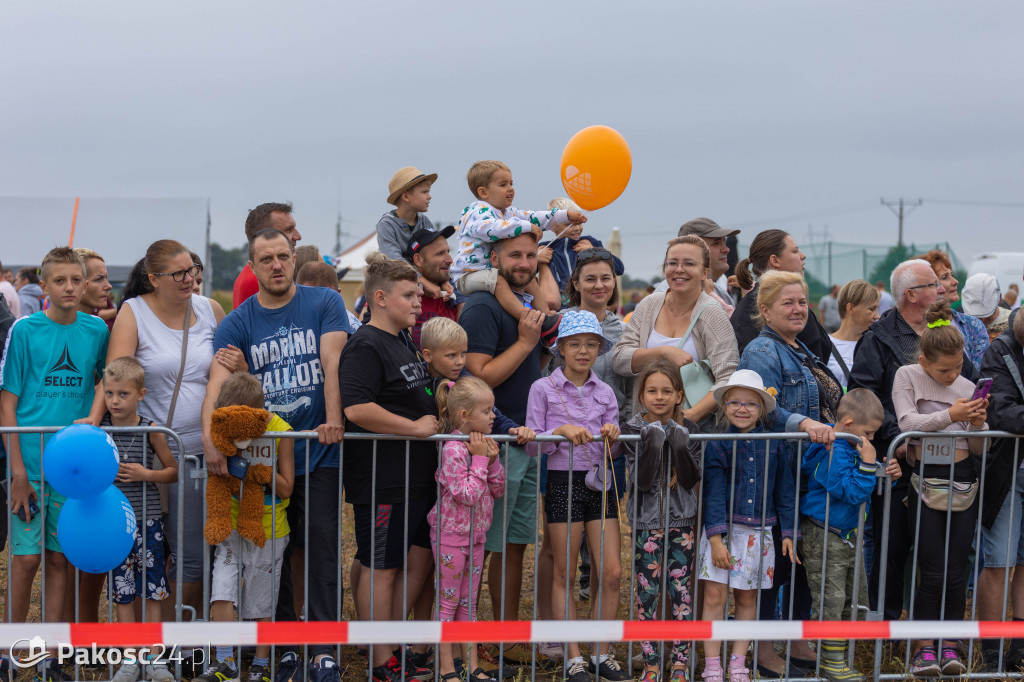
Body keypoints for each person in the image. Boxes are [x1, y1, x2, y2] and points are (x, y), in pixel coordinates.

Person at [205, 227, 349, 682]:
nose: (276, 265)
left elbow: (332, 363)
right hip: (268, 455)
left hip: (318, 448)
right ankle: (282, 647)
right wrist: (211, 442)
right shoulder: (237, 322)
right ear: (252, 266)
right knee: (276, 552)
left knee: (322, 548)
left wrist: (332, 418)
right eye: (266, 259)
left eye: (283, 256)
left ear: (293, 258)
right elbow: (217, 386)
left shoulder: (325, 303)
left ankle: (324, 647)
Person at [0, 247, 108, 682]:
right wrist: (19, 475)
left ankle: (47, 655)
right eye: (58, 281)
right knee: (26, 561)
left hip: (73, 468)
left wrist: (95, 417)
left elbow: (105, 379)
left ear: (84, 285)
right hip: (29, 467)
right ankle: (10, 650)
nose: (68, 288)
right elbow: (7, 404)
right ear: (43, 286)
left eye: (75, 281)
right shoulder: (25, 331)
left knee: (61, 560)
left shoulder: (97, 329)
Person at [848, 259, 977, 624]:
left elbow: (965, 385)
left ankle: (938, 633)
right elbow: (865, 396)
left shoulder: (947, 334)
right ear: (911, 295)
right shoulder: (879, 338)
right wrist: (897, 440)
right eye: (934, 284)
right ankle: (883, 628)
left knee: (944, 555)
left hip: (947, 465)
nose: (942, 288)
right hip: (896, 464)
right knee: (892, 547)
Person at [108, 239, 227, 622]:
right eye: (179, 273)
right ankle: (142, 643)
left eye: (193, 269)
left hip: (199, 453)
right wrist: (94, 426)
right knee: (143, 552)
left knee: (190, 554)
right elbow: (115, 377)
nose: (190, 278)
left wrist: (236, 361)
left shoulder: (211, 310)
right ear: (153, 279)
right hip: (147, 457)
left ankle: (175, 636)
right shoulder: (134, 312)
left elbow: (227, 373)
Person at [340, 253, 437, 682]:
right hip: (384, 479)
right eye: (409, 295)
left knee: (402, 566)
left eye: (418, 293)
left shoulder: (403, 338)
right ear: (380, 297)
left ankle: (391, 647)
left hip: (414, 478)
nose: (418, 302)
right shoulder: (365, 344)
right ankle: (381, 662)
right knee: (382, 568)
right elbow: (357, 407)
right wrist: (413, 428)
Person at [737, 270, 839, 677]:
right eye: (788, 304)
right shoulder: (763, 351)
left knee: (798, 561)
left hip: (806, 472)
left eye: (802, 302)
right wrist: (802, 424)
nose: (799, 310)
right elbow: (761, 407)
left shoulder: (800, 348)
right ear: (765, 310)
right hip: (775, 472)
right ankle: (762, 650)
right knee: (774, 563)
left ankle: (796, 638)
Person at [524, 310, 626, 682]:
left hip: (599, 484)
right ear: (561, 348)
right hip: (562, 482)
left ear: (599, 349)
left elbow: (613, 453)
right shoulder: (542, 389)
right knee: (565, 573)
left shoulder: (606, 392)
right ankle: (573, 657)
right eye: (575, 344)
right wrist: (558, 432)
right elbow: (533, 447)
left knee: (612, 572)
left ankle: (601, 652)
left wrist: (612, 438)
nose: (583, 351)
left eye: (591, 344)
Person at [460, 231, 546, 666]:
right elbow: (477, 378)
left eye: (532, 255)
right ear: (494, 258)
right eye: (515, 254)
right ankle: (470, 640)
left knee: (515, 545)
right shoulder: (482, 306)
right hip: (493, 445)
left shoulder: (523, 305)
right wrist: (526, 343)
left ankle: (505, 635)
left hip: (524, 440)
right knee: (483, 546)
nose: (525, 262)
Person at [893, 299, 988, 677]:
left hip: (964, 479)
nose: (953, 376)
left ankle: (949, 643)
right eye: (944, 370)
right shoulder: (906, 376)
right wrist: (952, 415)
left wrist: (979, 424)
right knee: (931, 568)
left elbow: (981, 447)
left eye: (958, 367)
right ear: (925, 363)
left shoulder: (968, 386)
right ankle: (922, 647)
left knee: (956, 570)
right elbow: (906, 423)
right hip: (925, 479)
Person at [196, 372, 294, 682]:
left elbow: (287, 487)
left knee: (261, 597)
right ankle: (226, 662)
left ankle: (261, 665)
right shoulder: (219, 427)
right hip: (231, 526)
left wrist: (257, 471)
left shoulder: (281, 430)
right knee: (222, 590)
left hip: (269, 528)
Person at [699, 370, 794, 682]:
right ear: (724, 405)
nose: (742, 409)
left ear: (762, 408)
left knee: (747, 598)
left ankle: (738, 662)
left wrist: (789, 532)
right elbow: (712, 493)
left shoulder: (775, 444)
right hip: (723, 533)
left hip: (759, 535)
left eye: (750, 404)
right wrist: (715, 539)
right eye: (735, 402)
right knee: (714, 596)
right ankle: (712, 664)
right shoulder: (717, 445)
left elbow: (785, 491)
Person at [799, 389, 899, 682]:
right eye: (868, 432)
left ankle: (837, 658)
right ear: (848, 423)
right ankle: (829, 663)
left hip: (845, 533)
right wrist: (868, 464)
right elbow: (850, 490)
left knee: (848, 597)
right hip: (825, 533)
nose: (870, 439)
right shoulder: (835, 450)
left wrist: (883, 470)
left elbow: (862, 477)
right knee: (831, 597)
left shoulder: (849, 446)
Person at [622, 361, 701, 682]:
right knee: (648, 595)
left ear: (679, 395)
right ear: (642, 395)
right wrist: (653, 442)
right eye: (652, 391)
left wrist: (679, 444)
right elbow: (640, 481)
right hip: (646, 524)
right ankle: (652, 662)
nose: (659, 397)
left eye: (667, 391)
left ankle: (680, 662)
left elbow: (691, 478)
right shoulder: (631, 429)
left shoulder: (690, 429)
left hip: (682, 521)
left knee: (681, 593)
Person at [451, 160, 587, 346]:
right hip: (469, 276)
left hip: (491, 272)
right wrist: (526, 227)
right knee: (498, 281)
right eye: (503, 184)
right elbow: (491, 229)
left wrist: (563, 216)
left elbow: (534, 217)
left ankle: (547, 319)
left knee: (528, 277)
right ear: (483, 192)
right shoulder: (477, 211)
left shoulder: (507, 213)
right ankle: (527, 317)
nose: (510, 189)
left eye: (511, 183)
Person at [101, 357, 177, 682]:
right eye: (109, 393)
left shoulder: (150, 431)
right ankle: (130, 659)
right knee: (124, 593)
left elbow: (173, 471)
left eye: (123, 394)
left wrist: (148, 474)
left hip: (148, 523)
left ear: (141, 394)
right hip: (116, 527)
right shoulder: (99, 431)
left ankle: (155, 659)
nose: (115, 401)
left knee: (154, 591)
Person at [611, 236, 738, 430]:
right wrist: (663, 352)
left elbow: (728, 377)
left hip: (695, 433)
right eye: (673, 263)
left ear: (705, 273)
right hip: (646, 429)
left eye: (689, 263)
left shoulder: (712, 313)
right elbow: (619, 359)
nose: (679, 269)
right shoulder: (649, 304)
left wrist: (689, 417)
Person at [429, 376, 506, 682]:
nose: (493, 417)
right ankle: (446, 668)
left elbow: (497, 489)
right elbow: (468, 494)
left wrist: (493, 459)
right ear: (464, 416)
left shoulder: (483, 447)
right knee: (447, 603)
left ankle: (471, 666)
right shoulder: (452, 449)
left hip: (475, 537)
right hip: (450, 538)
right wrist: (479, 459)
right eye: (487, 411)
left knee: (468, 604)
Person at [978, 309, 1024, 670]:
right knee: (998, 562)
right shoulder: (1001, 350)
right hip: (1009, 471)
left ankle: (1019, 647)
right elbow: (1002, 412)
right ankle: (991, 649)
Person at [732, 229, 832, 361]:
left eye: (801, 302)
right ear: (775, 260)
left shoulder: (746, 308)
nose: (803, 256)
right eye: (795, 251)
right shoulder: (750, 313)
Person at [919, 248, 989, 372]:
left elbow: (982, 374)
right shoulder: (913, 327)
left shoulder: (973, 326)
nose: (955, 281)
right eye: (945, 277)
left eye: (952, 275)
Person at [538, 197, 624, 297]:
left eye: (579, 223)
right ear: (553, 226)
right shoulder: (545, 248)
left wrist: (594, 251)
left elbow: (619, 268)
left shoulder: (590, 242)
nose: (577, 228)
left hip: (589, 305)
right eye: (570, 225)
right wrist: (535, 259)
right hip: (559, 309)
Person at [232, 202, 302, 308]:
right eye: (288, 230)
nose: (298, 236)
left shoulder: (251, 274)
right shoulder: (261, 279)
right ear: (264, 235)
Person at [404, 225, 462, 348]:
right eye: (440, 253)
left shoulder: (455, 295)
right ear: (418, 260)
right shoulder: (397, 297)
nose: (450, 260)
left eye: (448, 251)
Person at [826, 280, 881, 389]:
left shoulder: (878, 345)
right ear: (850, 308)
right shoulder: (824, 346)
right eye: (872, 309)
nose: (877, 316)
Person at [74, 248, 115, 327]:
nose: (109, 286)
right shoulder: (46, 329)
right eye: (98, 279)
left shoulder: (99, 329)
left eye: (106, 278)